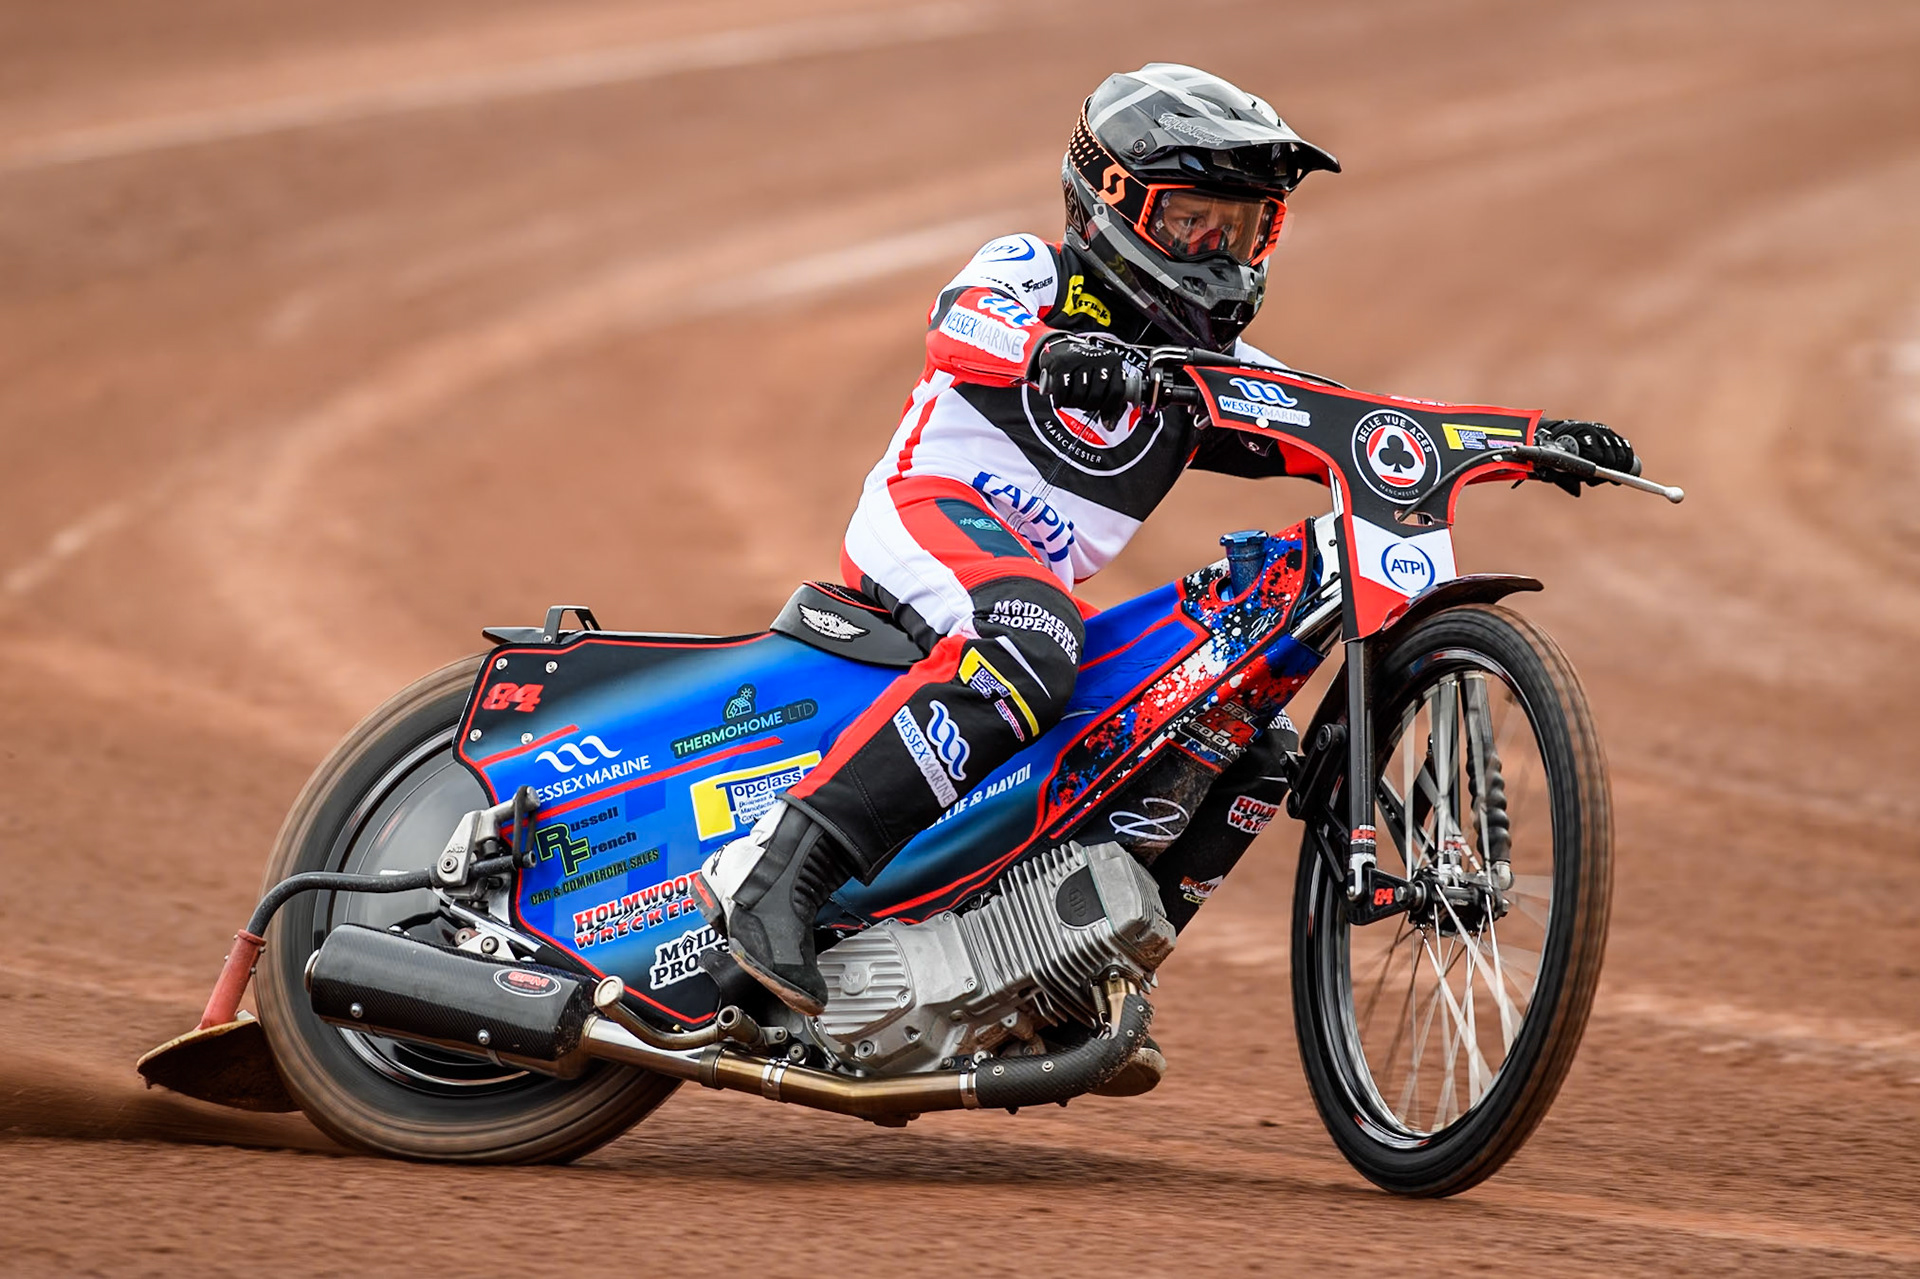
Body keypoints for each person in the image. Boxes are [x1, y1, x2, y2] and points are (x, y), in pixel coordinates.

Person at [692, 63, 1634, 1016]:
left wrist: (1525, 437)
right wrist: (1053, 353)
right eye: (1196, 223)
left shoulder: (1213, 371)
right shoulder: (1035, 272)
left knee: (1247, 735)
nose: (1221, 253)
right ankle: (778, 875)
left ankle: (1069, 973)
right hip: (925, 515)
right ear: (1112, 200)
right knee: (1033, 639)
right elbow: (959, 325)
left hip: (1030, 586)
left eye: (1246, 228)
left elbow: (1365, 419)